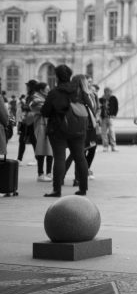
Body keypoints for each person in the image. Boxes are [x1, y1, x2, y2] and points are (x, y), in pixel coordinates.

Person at [41, 64, 89, 197]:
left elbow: (45, 112)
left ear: (57, 77)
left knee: (59, 158)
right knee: (80, 157)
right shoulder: (78, 90)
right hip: (79, 128)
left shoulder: (54, 93)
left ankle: (57, 190)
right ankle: (83, 188)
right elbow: (88, 106)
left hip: (59, 129)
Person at [28, 81, 53, 182]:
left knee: (51, 150)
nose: (49, 91)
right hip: (41, 126)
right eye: (47, 89)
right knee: (42, 149)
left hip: (49, 125)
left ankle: (49, 173)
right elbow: (45, 110)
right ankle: (40, 173)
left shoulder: (45, 99)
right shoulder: (36, 100)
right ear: (41, 90)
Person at [98, 86, 119, 151]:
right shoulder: (101, 99)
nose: (110, 93)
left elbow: (116, 107)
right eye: (109, 91)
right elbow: (99, 109)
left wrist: (114, 115)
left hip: (110, 117)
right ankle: (105, 146)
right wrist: (99, 117)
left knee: (112, 132)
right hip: (103, 118)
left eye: (111, 91)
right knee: (103, 133)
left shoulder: (113, 98)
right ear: (105, 92)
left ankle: (113, 146)